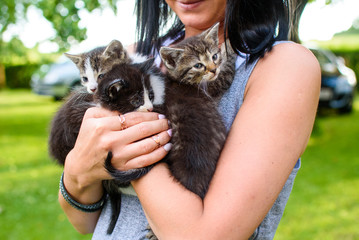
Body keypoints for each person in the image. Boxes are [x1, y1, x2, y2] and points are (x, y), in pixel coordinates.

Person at [58, 0, 321, 239]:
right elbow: (86, 221)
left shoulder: (282, 66)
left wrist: (125, 143)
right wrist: (77, 171)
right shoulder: (133, 55)